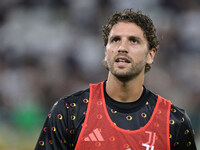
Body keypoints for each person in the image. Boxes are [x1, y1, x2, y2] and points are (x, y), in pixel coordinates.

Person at [35, 9, 197, 150]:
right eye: (115, 40)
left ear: (150, 55)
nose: (122, 47)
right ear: (106, 51)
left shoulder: (174, 122)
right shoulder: (69, 112)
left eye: (133, 41)